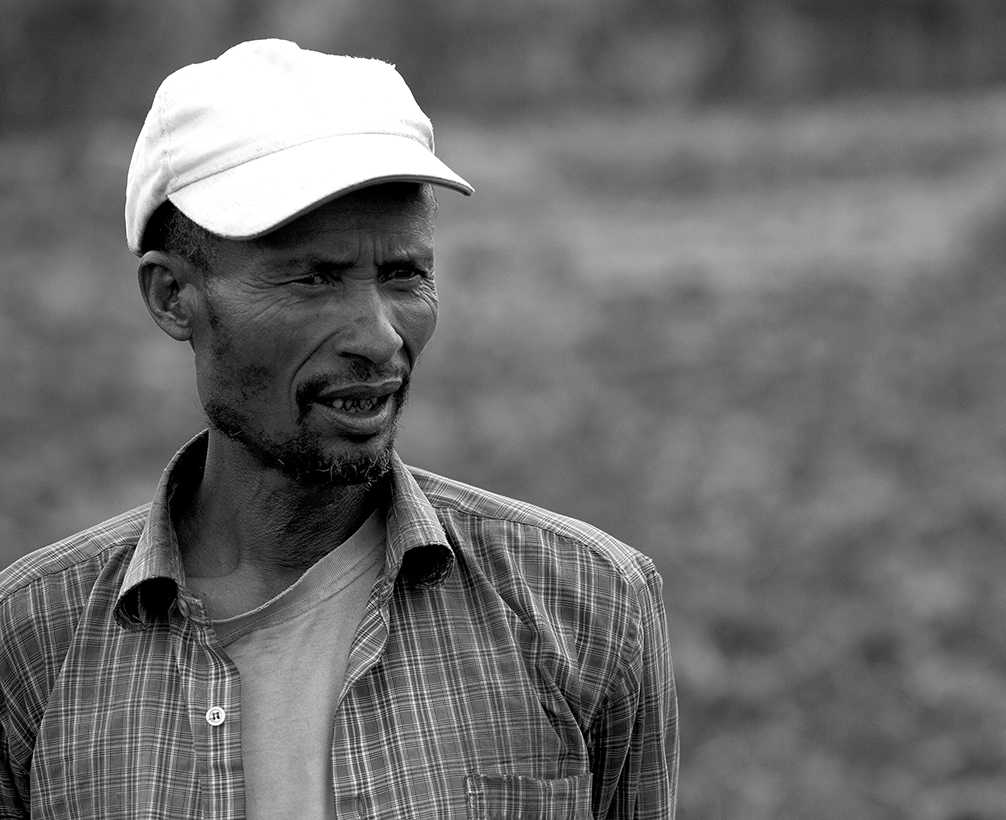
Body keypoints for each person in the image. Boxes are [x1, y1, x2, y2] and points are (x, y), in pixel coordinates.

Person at [0, 40, 676, 818]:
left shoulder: (587, 609)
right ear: (171, 296)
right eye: (314, 278)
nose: (380, 336)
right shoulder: (31, 645)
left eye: (404, 275)